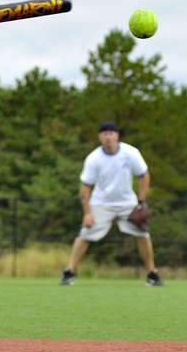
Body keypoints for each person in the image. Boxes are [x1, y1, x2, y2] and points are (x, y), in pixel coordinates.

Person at [60, 122, 165, 287]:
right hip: (101, 203)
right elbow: (85, 186)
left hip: (127, 203)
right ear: (99, 137)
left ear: (117, 136)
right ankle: (69, 272)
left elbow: (144, 175)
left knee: (143, 235)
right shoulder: (94, 158)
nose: (108, 136)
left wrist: (141, 202)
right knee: (85, 234)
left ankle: (151, 273)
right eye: (104, 134)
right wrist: (87, 213)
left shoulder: (131, 153)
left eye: (111, 133)